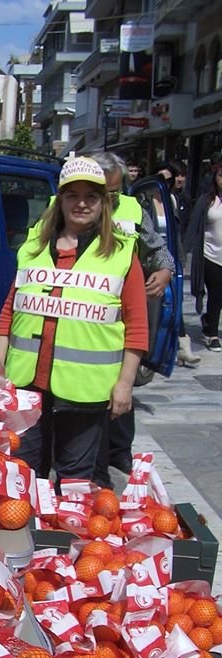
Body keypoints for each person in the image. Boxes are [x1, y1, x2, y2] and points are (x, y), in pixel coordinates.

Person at [0, 156, 148, 489]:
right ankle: (28, 539)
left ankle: (66, 539)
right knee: (21, 476)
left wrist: (125, 383)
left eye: (91, 197)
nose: (81, 203)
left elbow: (137, 324)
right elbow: (10, 309)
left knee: (75, 482)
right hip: (26, 383)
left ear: (103, 203)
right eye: (72, 195)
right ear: (59, 200)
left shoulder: (121, 253)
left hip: (85, 389)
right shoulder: (32, 248)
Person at [89, 152, 186, 487]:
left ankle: (118, 450)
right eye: (101, 191)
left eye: (113, 193)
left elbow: (161, 252)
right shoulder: (69, 207)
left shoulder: (131, 210)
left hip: (124, 308)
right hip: (85, 312)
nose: (106, 200)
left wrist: (163, 271)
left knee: (122, 383)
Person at [185, 164, 222, 352]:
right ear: (215, 178)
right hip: (210, 255)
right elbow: (194, 226)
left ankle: (209, 320)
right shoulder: (207, 200)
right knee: (216, 294)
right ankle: (213, 335)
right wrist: (184, 252)